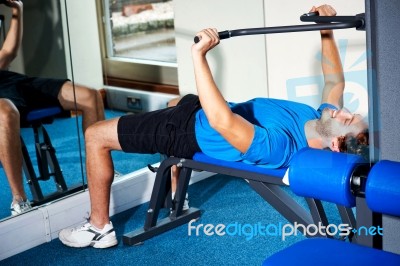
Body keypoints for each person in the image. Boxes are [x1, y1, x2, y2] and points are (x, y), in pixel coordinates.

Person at [58, 4, 369, 248]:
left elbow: (221, 120)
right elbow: (334, 81)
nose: (343, 111)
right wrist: (326, 28)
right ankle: (178, 190)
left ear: (335, 144)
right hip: (198, 113)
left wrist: (198, 56)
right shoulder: (319, 120)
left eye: (347, 119)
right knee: (177, 100)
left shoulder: (277, 146)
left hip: (184, 131)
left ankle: (99, 228)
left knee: (95, 135)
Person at [0, 0, 105, 215]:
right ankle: (20, 199)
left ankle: (100, 173)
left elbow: (8, 52)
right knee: (5, 112)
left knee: (90, 96)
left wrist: (17, 8)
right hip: (5, 100)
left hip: (15, 82)